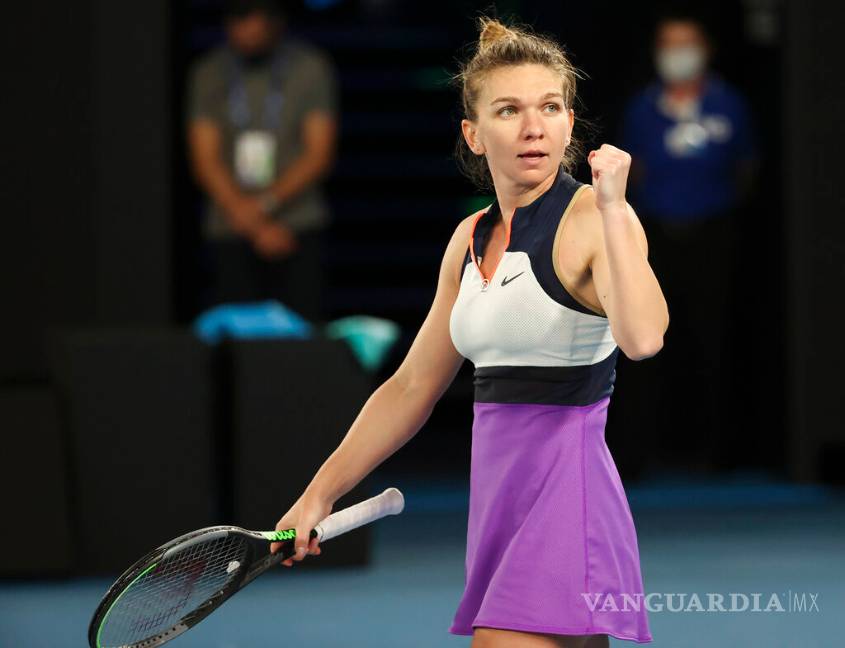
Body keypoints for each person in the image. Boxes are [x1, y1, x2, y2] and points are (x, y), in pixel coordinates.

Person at [270, 17, 667, 648]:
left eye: (550, 108)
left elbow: (643, 339)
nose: (534, 127)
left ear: (570, 124)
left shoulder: (595, 219)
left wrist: (616, 208)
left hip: (569, 497)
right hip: (499, 502)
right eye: (509, 110)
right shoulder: (469, 238)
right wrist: (318, 495)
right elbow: (411, 388)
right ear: (473, 134)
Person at [617, 11, 757, 473]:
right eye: (669, 44)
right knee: (646, 344)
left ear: (706, 49)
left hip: (714, 235)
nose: (678, 54)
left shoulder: (728, 104)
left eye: (687, 43)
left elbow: (745, 168)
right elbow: (633, 172)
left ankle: (720, 454)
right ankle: (641, 453)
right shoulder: (642, 109)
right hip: (655, 238)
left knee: (714, 341)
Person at [187, 0, 338, 321]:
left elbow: (318, 153)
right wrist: (254, 222)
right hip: (230, 225)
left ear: (275, 20)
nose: (248, 30)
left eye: (256, 18)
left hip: (296, 223)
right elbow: (205, 159)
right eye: (239, 17)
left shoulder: (309, 67)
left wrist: (264, 207)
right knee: (235, 335)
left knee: (299, 333)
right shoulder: (210, 72)